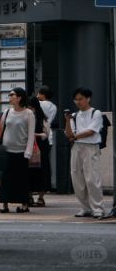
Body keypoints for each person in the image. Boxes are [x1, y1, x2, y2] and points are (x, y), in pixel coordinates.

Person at [66, 86, 106, 219]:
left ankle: (98, 208)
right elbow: (68, 134)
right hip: (77, 147)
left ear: (88, 98)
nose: (78, 102)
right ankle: (85, 207)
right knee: (77, 178)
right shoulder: (75, 115)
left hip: (91, 147)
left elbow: (91, 131)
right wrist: (67, 120)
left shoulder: (96, 113)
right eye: (76, 100)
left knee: (92, 179)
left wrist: (75, 136)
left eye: (81, 99)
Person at [0, 87, 36, 213]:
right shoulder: (7, 112)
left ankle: (24, 204)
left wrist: (28, 152)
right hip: (7, 150)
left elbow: (31, 135)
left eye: (12, 95)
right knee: (6, 178)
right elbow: (1, 130)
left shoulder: (29, 114)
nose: (9, 97)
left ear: (19, 98)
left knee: (21, 179)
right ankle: (4, 204)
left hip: (22, 151)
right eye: (9, 95)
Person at [26, 94, 50, 207]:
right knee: (29, 172)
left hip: (40, 147)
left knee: (42, 171)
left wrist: (35, 134)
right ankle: (29, 195)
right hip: (29, 146)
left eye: (31, 107)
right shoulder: (26, 115)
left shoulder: (42, 118)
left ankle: (41, 197)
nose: (29, 109)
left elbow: (46, 134)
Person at [37, 85, 57, 201]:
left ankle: (31, 193)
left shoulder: (38, 104)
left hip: (38, 137)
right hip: (48, 137)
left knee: (34, 167)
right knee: (45, 165)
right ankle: (42, 195)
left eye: (39, 93)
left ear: (42, 94)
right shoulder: (54, 107)